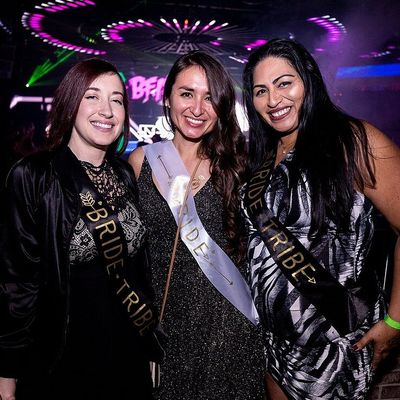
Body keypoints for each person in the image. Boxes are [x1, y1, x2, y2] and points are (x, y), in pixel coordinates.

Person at [241, 37, 400, 400]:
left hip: (335, 349)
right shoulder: (264, 156)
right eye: (261, 91)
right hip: (275, 348)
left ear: (309, 81)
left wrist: (395, 320)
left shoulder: (352, 141)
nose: (273, 100)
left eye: (284, 83)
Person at [0, 58, 163, 400]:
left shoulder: (124, 174)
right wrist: (7, 372)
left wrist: (149, 342)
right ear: (71, 102)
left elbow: (138, 269)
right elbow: (18, 281)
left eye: (117, 100)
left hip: (127, 349)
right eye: (92, 96)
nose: (107, 110)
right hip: (65, 356)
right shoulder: (34, 175)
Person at [128, 50, 265, 399]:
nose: (197, 108)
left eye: (209, 98)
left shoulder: (238, 167)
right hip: (161, 325)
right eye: (187, 94)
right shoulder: (141, 161)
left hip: (226, 330)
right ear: (168, 98)